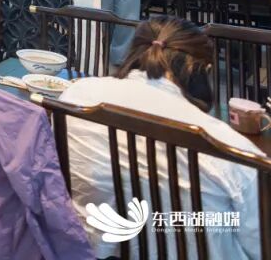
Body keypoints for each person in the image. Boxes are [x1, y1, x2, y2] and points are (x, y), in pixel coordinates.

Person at [60, 18, 263, 259]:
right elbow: (260, 244)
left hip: (85, 249)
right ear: (203, 69)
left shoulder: (78, 95)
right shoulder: (233, 151)